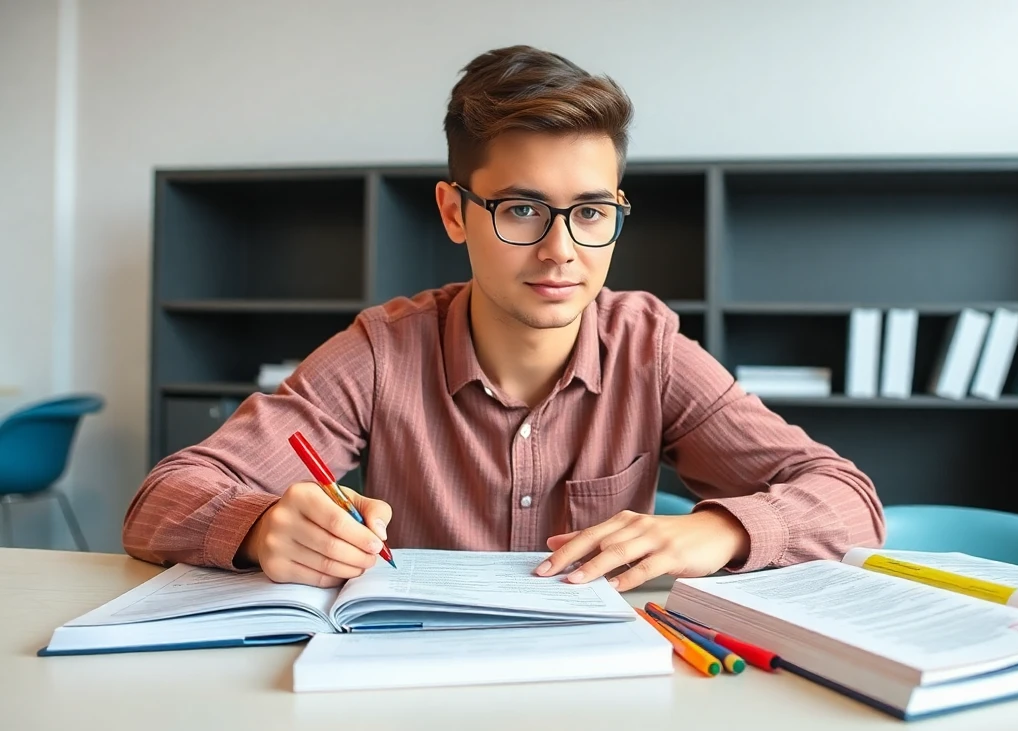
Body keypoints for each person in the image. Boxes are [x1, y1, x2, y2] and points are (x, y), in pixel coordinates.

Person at [123, 44, 884, 592]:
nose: (561, 251)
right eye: (522, 209)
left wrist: (712, 531)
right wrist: (260, 526)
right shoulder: (384, 352)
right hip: (414, 688)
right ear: (455, 212)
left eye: (590, 212)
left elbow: (848, 501)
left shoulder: (647, 347)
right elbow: (165, 497)